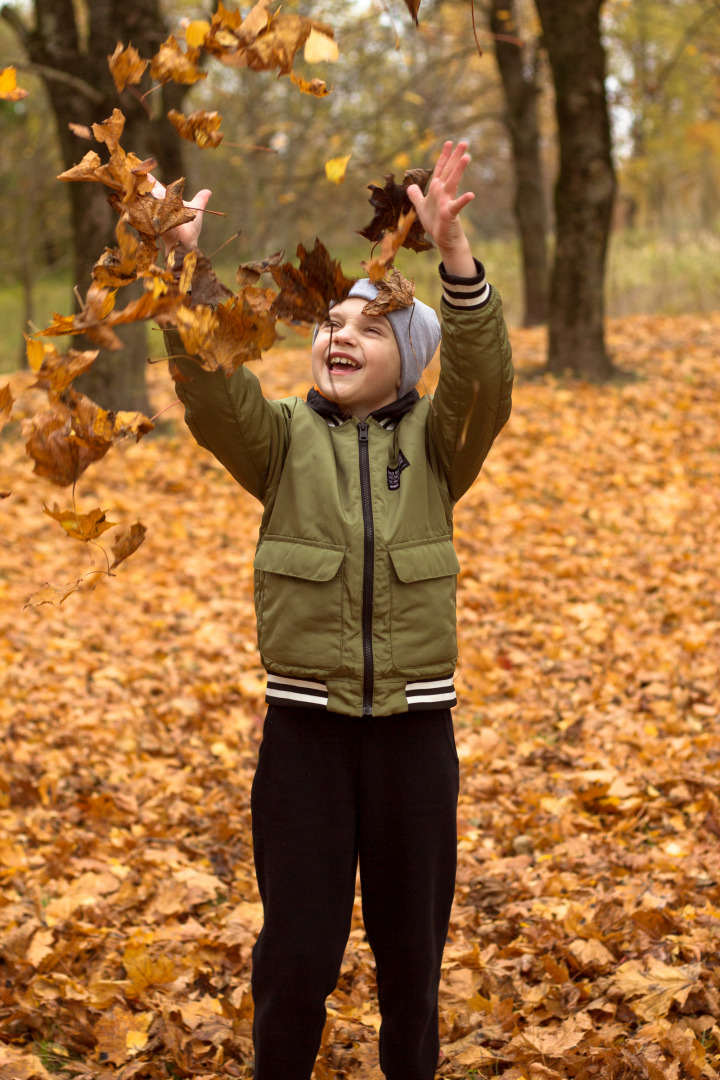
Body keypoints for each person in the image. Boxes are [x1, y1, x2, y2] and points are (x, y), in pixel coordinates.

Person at [155, 141, 513, 1080]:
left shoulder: (441, 447)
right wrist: (179, 273)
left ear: (415, 363)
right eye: (330, 323)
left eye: (373, 325)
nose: (340, 333)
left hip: (414, 739)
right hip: (304, 743)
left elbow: (486, 380)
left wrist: (457, 256)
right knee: (297, 960)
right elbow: (207, 383)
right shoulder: (277, 442)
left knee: (411, 972)